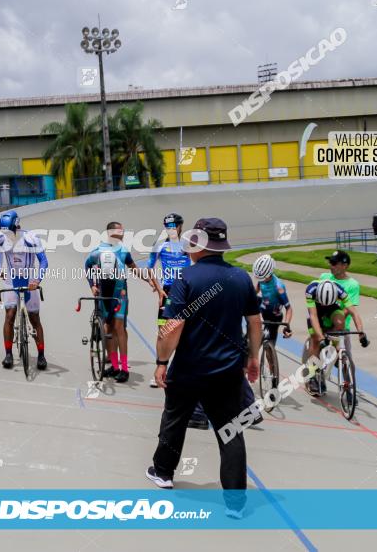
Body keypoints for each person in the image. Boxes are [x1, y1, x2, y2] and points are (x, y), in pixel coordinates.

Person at [147, 218, 260, 520]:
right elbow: (254, 321)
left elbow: (173, 325)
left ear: (197, 243)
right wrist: (254, 357)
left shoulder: (186, 278)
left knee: (175, 419)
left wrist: (161, 362)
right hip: (228, 371)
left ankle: (163, 473)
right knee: (230, 432)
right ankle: (235, 503)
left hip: (189, 368)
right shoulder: (240, 277)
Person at [85, 221, 161, 383]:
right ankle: (114, 366)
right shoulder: (96, 251)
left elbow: (134, 267)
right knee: (110, 328)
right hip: (104, 293)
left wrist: (148, 280)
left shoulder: (123, 250)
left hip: (120, 293)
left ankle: (124, 368)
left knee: (119, 327)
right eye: (121, 231)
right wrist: (92, 286)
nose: (123, 233)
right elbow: (87, 267)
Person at [0, 210, 49, 370]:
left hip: (29, 280)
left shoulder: (31, 239)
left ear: (17, 226)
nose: (7, 235)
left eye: (9, 232)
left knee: (34, 318)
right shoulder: (0, 239)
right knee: (9, 316)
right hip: (12, 280)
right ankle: (8, 354)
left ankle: (41, 355)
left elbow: (44, 261)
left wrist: (37, 280)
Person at [304, 278, 369, 395]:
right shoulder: (311, 290)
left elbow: (354, 312)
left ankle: (335, 347)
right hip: (316, 310)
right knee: (315, 338)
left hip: (332, 307)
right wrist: (321, 337)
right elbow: (313, 316)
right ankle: (312, 376)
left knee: (340, 323)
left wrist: (361, 333)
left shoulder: (340, 291)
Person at [147, 213, 190, 388]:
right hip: (168, 291)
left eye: (173, 226)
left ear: (180, 226)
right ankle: (160, 368)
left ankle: (180, 371)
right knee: (162, 331)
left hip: (186, 291)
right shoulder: (160, 245)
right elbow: (149, 268)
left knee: (185, 332)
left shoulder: (188, 245)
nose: (171, 229)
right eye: (168, 226)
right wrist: (158, 291)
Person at [252, 254, 293, 345]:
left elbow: (289, 309)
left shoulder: (279, 287)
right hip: (264, 309)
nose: (260, 279)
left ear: (269, 273)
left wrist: (287, 326)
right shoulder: (262, 279)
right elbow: (254, 293)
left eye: (262, 278)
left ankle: (269, 355)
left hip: (274, 317)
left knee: (269, 346)